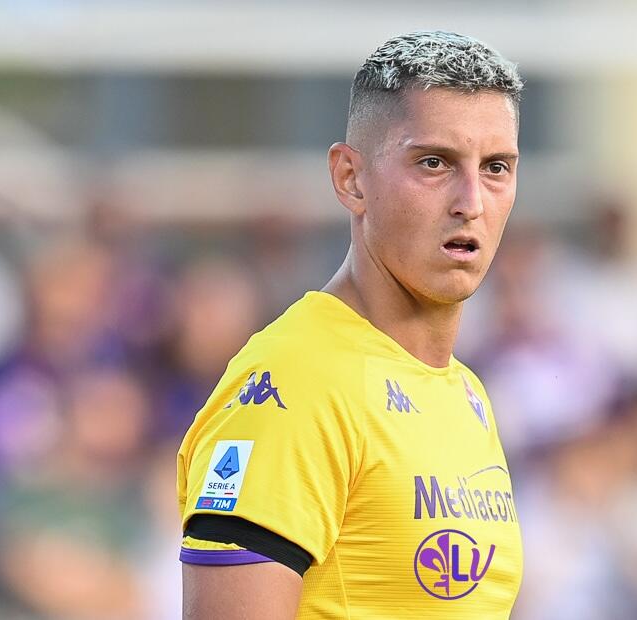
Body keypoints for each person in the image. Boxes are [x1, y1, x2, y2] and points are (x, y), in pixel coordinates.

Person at [176, 31, 525, 619]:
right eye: (434, 162)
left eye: (496, 167)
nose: (472, 201)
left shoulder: (465, 390)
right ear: (350, 179)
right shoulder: (294, 383)